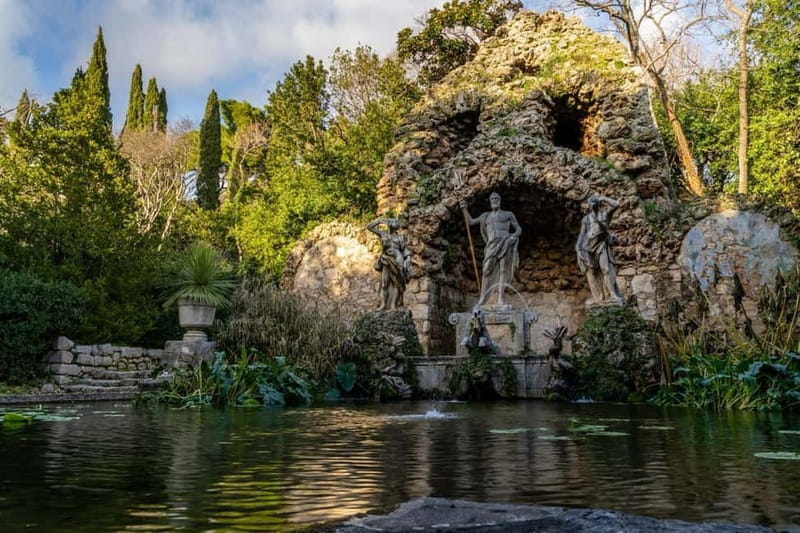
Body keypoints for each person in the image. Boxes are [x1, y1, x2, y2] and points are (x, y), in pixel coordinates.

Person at [460, 192, 521, 307]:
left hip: (505, 243)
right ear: (489, 201)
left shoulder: (508, 214)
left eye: (496, 198)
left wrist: (513, 236)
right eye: (492, 198)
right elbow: (470, 222)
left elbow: (518, 229)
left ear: (500, 200)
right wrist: (464, 209)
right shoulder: (485, 216)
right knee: (486, 270)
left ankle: (500, 299)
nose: (494, 200)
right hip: (492, 245)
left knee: (503, 270)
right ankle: (483, 299)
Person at [576, 194, 625, 306]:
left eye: (593, 202)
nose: (591, 205)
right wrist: (578, 249)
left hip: (601, 245)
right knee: (591, 272)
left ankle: (612, 294)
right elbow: (582, 235)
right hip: (586, 247)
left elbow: (616, 204)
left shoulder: (604, 214)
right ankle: (598, 297)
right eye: (590, 203)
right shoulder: (586, 218)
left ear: (597, 204)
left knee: (606, 269)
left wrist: (603, 198)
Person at [367, 217, 412, 311]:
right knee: (384, 283)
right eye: (390, 221)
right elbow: (369, 227)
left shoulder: (400, 237)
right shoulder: (383, 234)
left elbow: (404, 250)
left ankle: (393, 305)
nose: (392, 222)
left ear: (397, 225)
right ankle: (383, 305)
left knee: (396, 283)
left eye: (394, 221)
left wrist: (407, 258)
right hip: (386, 259)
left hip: (398, 259)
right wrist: (378, 221)